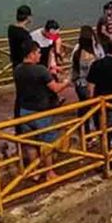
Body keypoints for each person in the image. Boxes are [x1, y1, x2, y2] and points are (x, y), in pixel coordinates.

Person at [13, 40, 73, 175]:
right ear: (32, 54)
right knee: (47, 143)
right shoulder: (40, 70)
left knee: (30, 143)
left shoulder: (18, 70)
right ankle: (49, 172)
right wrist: (66, 82)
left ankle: (35, 171)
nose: (40, 55)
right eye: (39, 52)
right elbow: (55, 88)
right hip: (41, 112)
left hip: (24, 111)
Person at [7, 5, 35, 115]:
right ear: (27, 17)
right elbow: (28, 50)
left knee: (20, 93)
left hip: (15, 64)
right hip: (24, 66)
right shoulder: (24, 34)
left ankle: (18, 118)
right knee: (26, 93)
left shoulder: (11, 29)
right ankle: (24, 119)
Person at [71, 25, 103, 101]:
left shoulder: (77, 51)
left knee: (84, 105)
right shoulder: (96, 50)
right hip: (94, 85)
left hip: (81, 84)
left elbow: (74, 67)